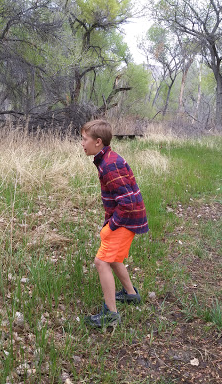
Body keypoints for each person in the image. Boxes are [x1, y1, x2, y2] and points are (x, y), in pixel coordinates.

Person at [80, 119, 149, 328]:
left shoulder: (110, 165)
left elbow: (127, 202)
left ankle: (111, 314)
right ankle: (131, 294)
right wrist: (108, 222)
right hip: (127, 217)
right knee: (113, 257)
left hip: (127, 219)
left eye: (84, 139)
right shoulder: (106, 160)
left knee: (101, 261)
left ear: (98, 142)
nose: (82, 143)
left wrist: (111, 226)